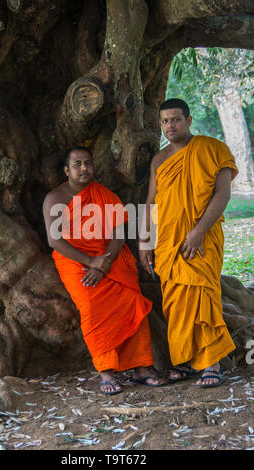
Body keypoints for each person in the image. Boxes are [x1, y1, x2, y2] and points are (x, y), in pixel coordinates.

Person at [43, 146, 166, 395]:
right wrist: (91, 262)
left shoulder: (104, 195)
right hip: (75, 262)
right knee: (91, 307)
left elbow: (119, 232)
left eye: (88, 163)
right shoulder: (54, 199)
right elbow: (55, 240)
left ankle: (141, 367)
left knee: (133, 301)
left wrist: (104, 262)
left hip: (109, 258)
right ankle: (106, 372)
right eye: (77, 164)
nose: (84, 168)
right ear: (67, 170)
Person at [139, 99, 238, 388]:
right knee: (175, 303)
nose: (170, 125)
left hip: (202, 239)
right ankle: (184, 360)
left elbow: (222, 195)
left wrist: (198, 231)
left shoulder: (213, 149)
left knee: (204, 295)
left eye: (175, 120)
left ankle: (211, 362)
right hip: (169, 242)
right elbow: (151, 202)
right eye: (165, 121)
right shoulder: (159, 159)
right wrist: (145, 241)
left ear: (189, 120)